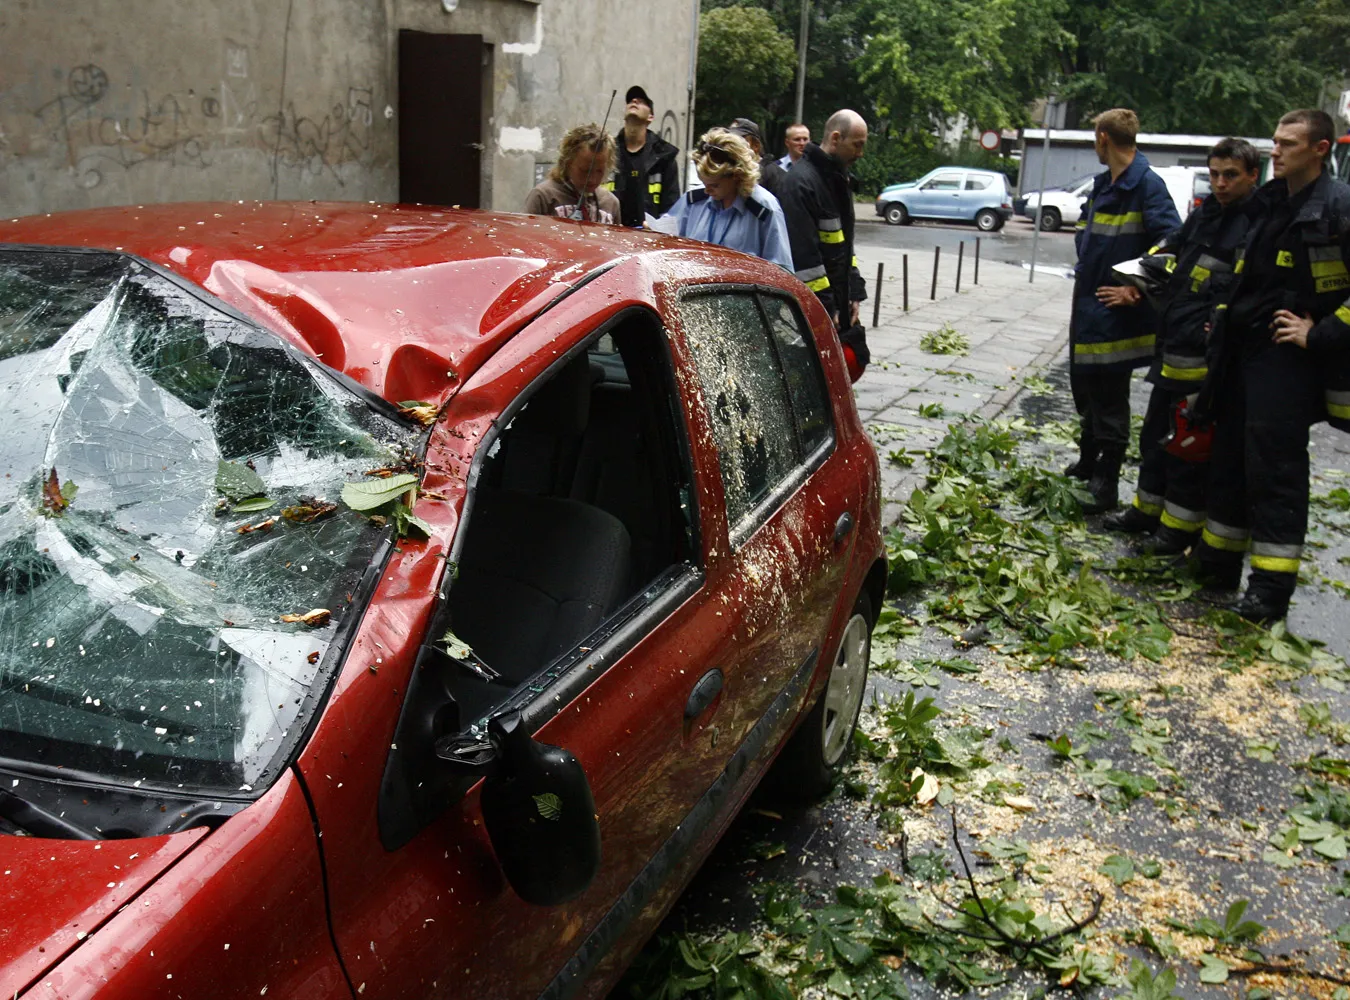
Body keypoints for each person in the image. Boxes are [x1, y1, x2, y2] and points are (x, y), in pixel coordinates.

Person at [1191, 109, 1350, 623]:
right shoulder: (1270, 201)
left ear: (1320, 149)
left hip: (1287, 358)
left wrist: (1319, 334)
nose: (1275, 151)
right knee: (1231, 455)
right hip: (1243, 350)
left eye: (1287, 144)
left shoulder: (1338, 206)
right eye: (1275, 142)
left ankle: (1269, 591)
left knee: (1274, 468)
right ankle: (1217, 562)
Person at [1103, 138, 1260, 553]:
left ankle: (1176, 532)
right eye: (1214, 174)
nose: (1220, 183)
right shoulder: (1208, 212)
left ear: (1252, 176)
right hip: (1175, 345)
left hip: (1207, 359)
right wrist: (1150, 263)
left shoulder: (1255, 224)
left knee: (1189, 446)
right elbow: (1175, 244)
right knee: (1156, 435)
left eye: (1230, 176)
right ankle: (1146, 511)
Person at [1068, 108, 1182, 514]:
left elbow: (1170, 244)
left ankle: (1107, 483)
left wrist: (1135, 289)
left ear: (1103, 138)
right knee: (1084, 386)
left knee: (1109, 396)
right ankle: (1088, 461)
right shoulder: (1105, 185)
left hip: (1115, 312)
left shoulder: (1147, 186)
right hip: (1088, 303)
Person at [777, 109, 870, 380]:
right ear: (836, 137)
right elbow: (804, 260)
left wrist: (853, 290)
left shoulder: (836, 180)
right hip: (812, 311)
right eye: (857, 144)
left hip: (835, 303)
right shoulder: (801, 183)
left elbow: (843, 246)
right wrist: (824, 311)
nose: (861, 153)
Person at [661, 129, 792, 272]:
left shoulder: (764, 208)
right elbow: (667, 239)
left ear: (737, 176)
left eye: (714, 185)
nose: (707, 191)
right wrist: (654, 231)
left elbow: (782, 272)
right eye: (703, 183)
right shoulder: (693, 200)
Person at [607, 85, 680, 227]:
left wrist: (658, 230)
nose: (634, 101)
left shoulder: (664, 157)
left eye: (641, 101)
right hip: (612, 236)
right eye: (630, 101)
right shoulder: (607, 152)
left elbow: (672, 208)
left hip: (649, 237)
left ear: (650, 117)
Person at [523, 124, 621, 223]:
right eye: (585, 171)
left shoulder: (611, 203)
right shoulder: (543, 196)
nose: (592, 179)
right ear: (567, 162)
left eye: (600, 171)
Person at [727, 117, 786, 197]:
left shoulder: (774, 175)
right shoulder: (730, 172)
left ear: (756, 146)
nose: (733, 145)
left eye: (739, 140)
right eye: (730, 140)